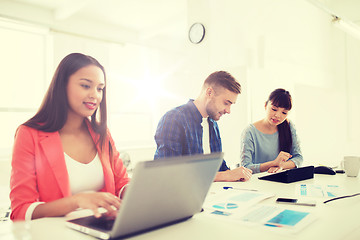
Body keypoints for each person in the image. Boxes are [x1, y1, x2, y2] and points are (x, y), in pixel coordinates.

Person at [10, 53, 129, 221]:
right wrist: (77, 201)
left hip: (102, 228)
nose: (95, 95)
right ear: (62, 85)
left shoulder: (102, 133)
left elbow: (121, 183)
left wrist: (134, 189)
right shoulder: (28, 134)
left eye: (100, 88)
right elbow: (21, 211)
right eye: (86, 86)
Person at [154, 71, 252, 182]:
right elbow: (169, 172)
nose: (228, 111)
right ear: (209, 92)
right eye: (226, 103)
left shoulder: (212, 124)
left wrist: (236, 174)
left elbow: (219, 165)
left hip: (213, 194)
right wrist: (224, 175)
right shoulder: (173, 119)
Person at [240, 88, 303, 173]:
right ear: (265, 105)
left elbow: (298, 157)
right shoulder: (250, 131)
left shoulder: (289, 126)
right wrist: (273, 164)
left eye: (284, 113)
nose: (278, 115)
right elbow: (245, 167)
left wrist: (281, 166)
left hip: (283, 181)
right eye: (274, 109)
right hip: (257, 182)